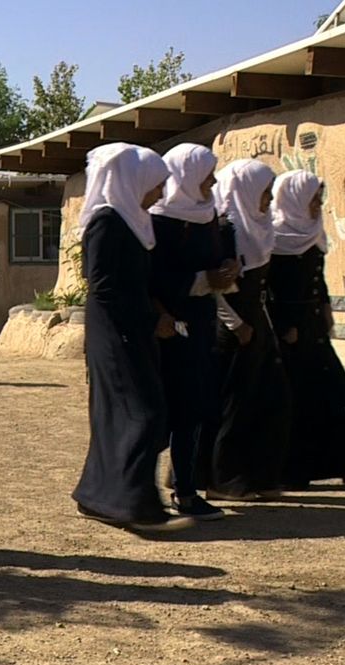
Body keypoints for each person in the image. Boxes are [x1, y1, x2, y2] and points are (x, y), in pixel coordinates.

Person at [72, 143, 193, 532]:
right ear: (132, 180)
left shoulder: (131, 221)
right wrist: (150, 319)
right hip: (115, 334)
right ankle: (135, 506)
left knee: (120, 416)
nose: (159, 193)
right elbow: (104, 287)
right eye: (155, 184)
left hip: (131, 330)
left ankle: (98, 497)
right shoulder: (107, 222)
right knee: (144, 414)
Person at [267, 169, 345, 487]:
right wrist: (284, 325)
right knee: (299, 399)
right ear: (294, 199)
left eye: (319, 199)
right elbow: (269, 290)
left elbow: (316, 280)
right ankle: (295, 470)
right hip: (289, 333)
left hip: (313, 329)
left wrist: (325, 310)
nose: (317, 206)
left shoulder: (312, 233)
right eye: (312, 199)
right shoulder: (273, 238)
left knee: (335, 391)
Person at [148, 144, 242, 521]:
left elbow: (214, 261)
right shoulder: (158, 219)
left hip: (201, 323)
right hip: (169, 327)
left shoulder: (207, 216)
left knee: (193, 409)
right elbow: (153, 276)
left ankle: (186, 491)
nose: (213, 182)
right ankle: (142, 490)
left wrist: (227, 269)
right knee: (164, 413)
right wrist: (202, 279)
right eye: (207, 176)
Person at [203, 159, 293, 500]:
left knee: (270, 400)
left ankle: (258, 476)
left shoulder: (259, 227)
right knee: (234, 405)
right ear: (245, 191)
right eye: (264, 192)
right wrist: (237, 325)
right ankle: (224, 480)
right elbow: (215, 289)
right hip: (235, 329)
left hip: (256, 326)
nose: (269, 199)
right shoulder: (226, 230)